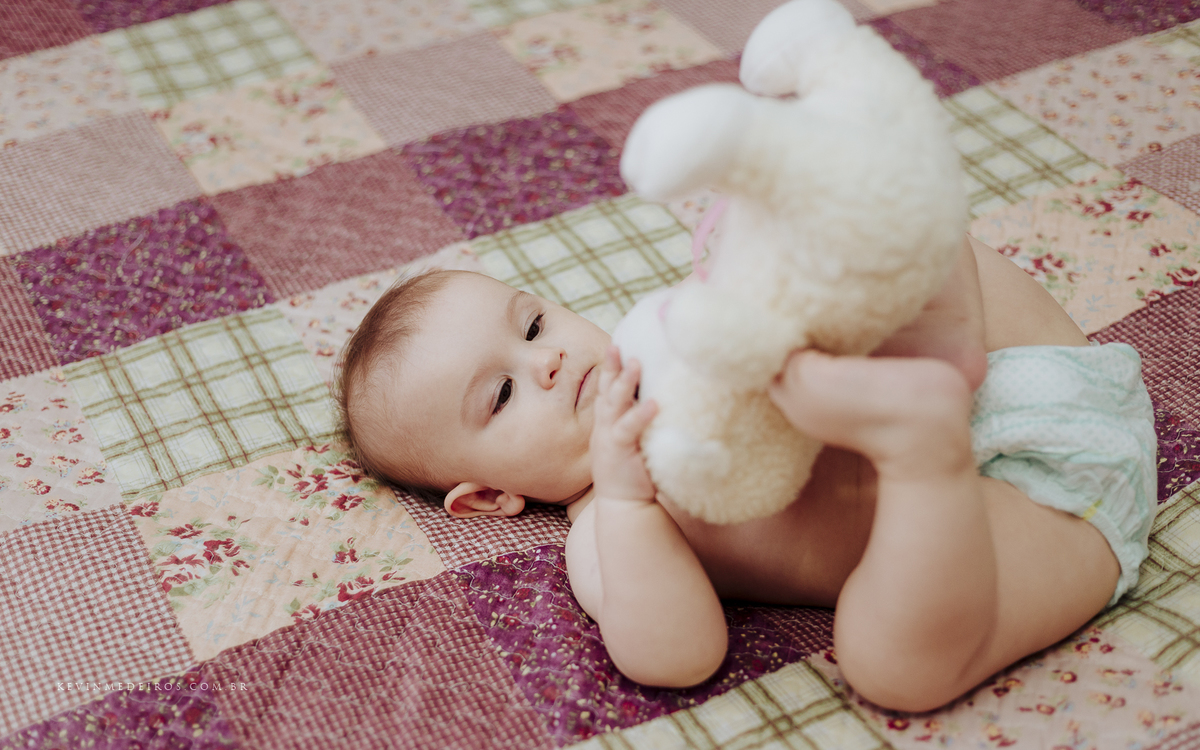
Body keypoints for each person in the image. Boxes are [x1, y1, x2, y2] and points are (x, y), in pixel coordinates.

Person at [335, 236, 1156, 712]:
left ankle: (930, 318)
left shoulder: (661, 334)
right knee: (888, 665)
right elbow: (681, 655)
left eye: (534, 322)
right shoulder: (602, 530)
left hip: (1016, 361)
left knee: (881, 242)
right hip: (1033, 519)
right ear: (487, 497)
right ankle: (919, 452)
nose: (547, 360)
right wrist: (627, 496)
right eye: (504, 392)